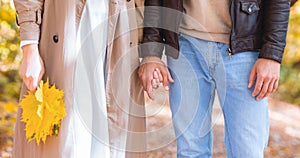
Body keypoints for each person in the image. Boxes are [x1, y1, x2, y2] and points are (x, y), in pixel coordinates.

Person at [138, 0, 290, 157]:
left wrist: (272, 54)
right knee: (190, 151)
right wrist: (151, 52)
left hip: (244, 49)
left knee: (248, 150)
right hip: (185, 44)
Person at [13, 0, 146, 157]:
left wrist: (151, 51)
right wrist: (30, 47)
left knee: (111, 139)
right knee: (63, 137)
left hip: (120, 37)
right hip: (62, 34)